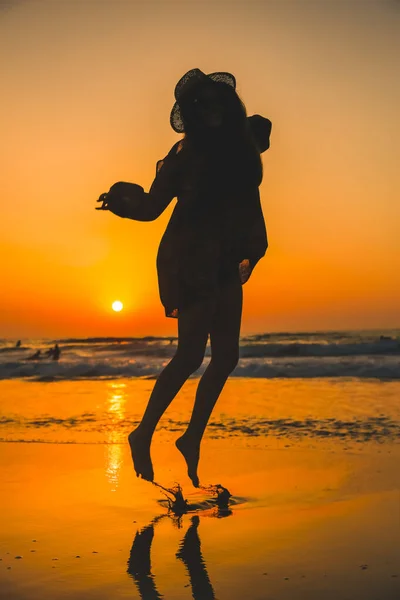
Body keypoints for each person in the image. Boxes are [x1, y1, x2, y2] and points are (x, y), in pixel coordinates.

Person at [96, 68, 271, 487]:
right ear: (192, 112)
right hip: (191, 258)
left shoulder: (239, 147)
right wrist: (122, 200)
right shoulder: (183, 155)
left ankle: (191, 438)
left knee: (227, 357)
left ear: (227, 107)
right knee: (191, 355)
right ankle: (142, 433)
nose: (210, 110)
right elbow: (153, 206)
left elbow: (260, 137)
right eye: (201, 105)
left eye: (217, 103)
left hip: (226, 258)